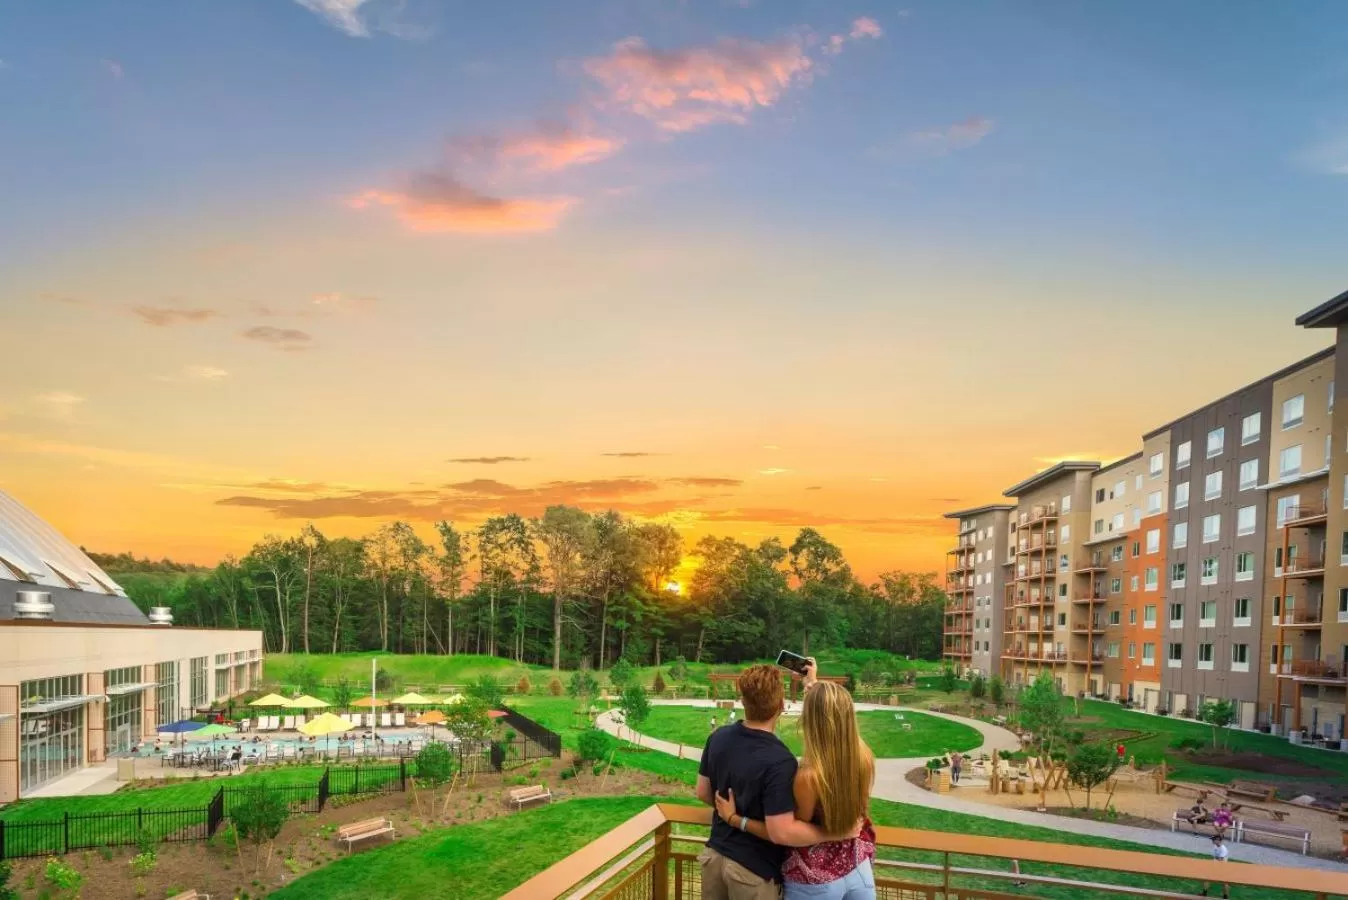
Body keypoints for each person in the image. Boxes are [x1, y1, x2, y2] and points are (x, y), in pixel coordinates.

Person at [712, 661, 876, 900]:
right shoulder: (864, 756)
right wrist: (813, 684)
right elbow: (833, 715)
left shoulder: (809, 777)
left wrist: (734, 819)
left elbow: (789, 832)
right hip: (857, 867)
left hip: (816, 879)